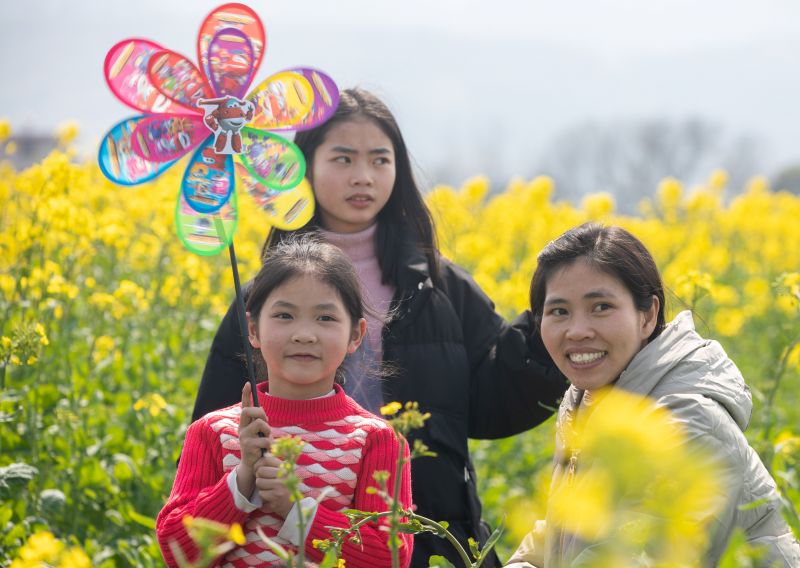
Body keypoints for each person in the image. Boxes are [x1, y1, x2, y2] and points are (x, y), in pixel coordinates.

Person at [191, 88, 567, 566]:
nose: (363, 177)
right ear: (304, 166)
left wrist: (557, 325)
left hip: (423, 534)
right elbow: (214, 439)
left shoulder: (439, 286)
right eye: (343, 159)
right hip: (282, 542)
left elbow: (492, 399)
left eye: (380, 160)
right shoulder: (262, 300)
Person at [507, 223, 800, 567]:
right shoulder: (589, 400)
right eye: (559, 311)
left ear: (647, 316)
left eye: (601, 307)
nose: (578, 331)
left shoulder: (687, 419)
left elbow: (641, 554)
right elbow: (567, 528)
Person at [158, 237, 413, 567]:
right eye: (284, 315)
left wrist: (295, 510)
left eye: (325, 318)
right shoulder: (213, 432)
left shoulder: (376, 440)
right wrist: (242, 480)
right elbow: (176, 550)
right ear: (252, 330)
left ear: (355, 335)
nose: (304, 334)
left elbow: (390, 557)